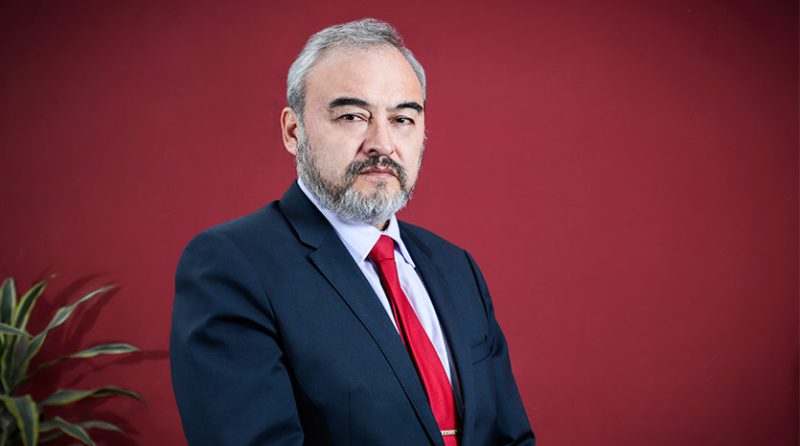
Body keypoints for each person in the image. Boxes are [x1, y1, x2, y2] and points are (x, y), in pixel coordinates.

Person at [170, 18, 535, 446]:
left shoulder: (457, 268)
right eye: (352, 116)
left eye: (402, 119)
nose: (382, 143)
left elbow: (509, 437)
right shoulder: (231, 266)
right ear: (293, 131)